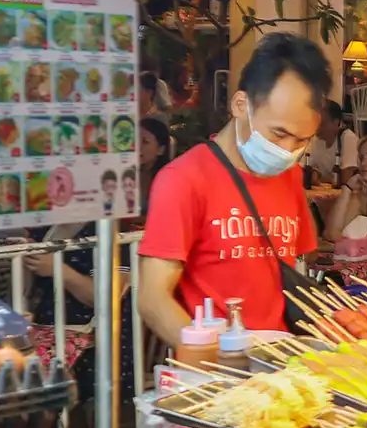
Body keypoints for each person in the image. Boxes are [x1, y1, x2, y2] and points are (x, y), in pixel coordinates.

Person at [137, 32, 328, 340]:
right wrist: (214, 356)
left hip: (281, 358)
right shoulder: (183, 179)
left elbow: (298, 259)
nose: (287, 150)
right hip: (218, 368)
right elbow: (152, 299)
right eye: (278, 133)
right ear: (241, 105)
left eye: (301, 140)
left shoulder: (289, 175)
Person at [305, 100, 359, 186]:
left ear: (336, 122)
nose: (317, 128)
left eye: (322, 124)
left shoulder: (347, 138)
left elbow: (346, 180)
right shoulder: (315, 140)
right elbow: (307, 172)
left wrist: (321, 178)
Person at [136, 117, 172, 211]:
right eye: (135, 140)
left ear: (161, 150)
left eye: (145, 142)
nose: (137, 146)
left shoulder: (169, 179)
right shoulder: (126, 174)